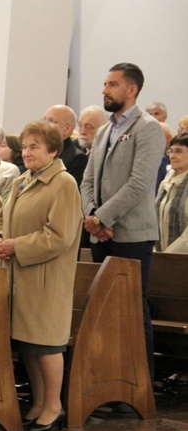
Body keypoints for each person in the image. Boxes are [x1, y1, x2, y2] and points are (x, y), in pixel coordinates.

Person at [0, 120, 82, 431]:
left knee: (48, 344)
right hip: (19, 276)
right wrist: (0, 238)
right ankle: (39, 403)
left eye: (34, 147)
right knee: (28, 345)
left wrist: (17, 246)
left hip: (46, 278)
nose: (26, 152)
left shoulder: (63, 183)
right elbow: (4, 217)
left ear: (53, 150)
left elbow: (59, 236)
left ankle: (54, 407)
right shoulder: (23, 180)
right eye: (25, 146)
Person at [80, 62, 165, 381]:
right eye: (105, 84)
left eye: (113, 84)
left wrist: (101, 216)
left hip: (132, 235)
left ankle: (140, 383)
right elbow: (87, 180)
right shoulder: (104, 130)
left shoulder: (148, 128)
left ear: (131, 90)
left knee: (130, 310)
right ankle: (111, 380)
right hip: (101, 235)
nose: (104, 90)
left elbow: (140, 183)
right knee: (104, 312)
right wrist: (91, 216)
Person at [156, 133, 188, 253]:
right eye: (171, 151)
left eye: (179, 151)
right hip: (163, 254)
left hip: (180, 256)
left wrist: (168, 255)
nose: (172, 156)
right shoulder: (167, 180)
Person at [43, 105, 89, 186]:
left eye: (51, 121)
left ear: (67, 129)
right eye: (44, 120)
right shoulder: (37, 152)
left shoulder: (77, 159)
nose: (43, 126)